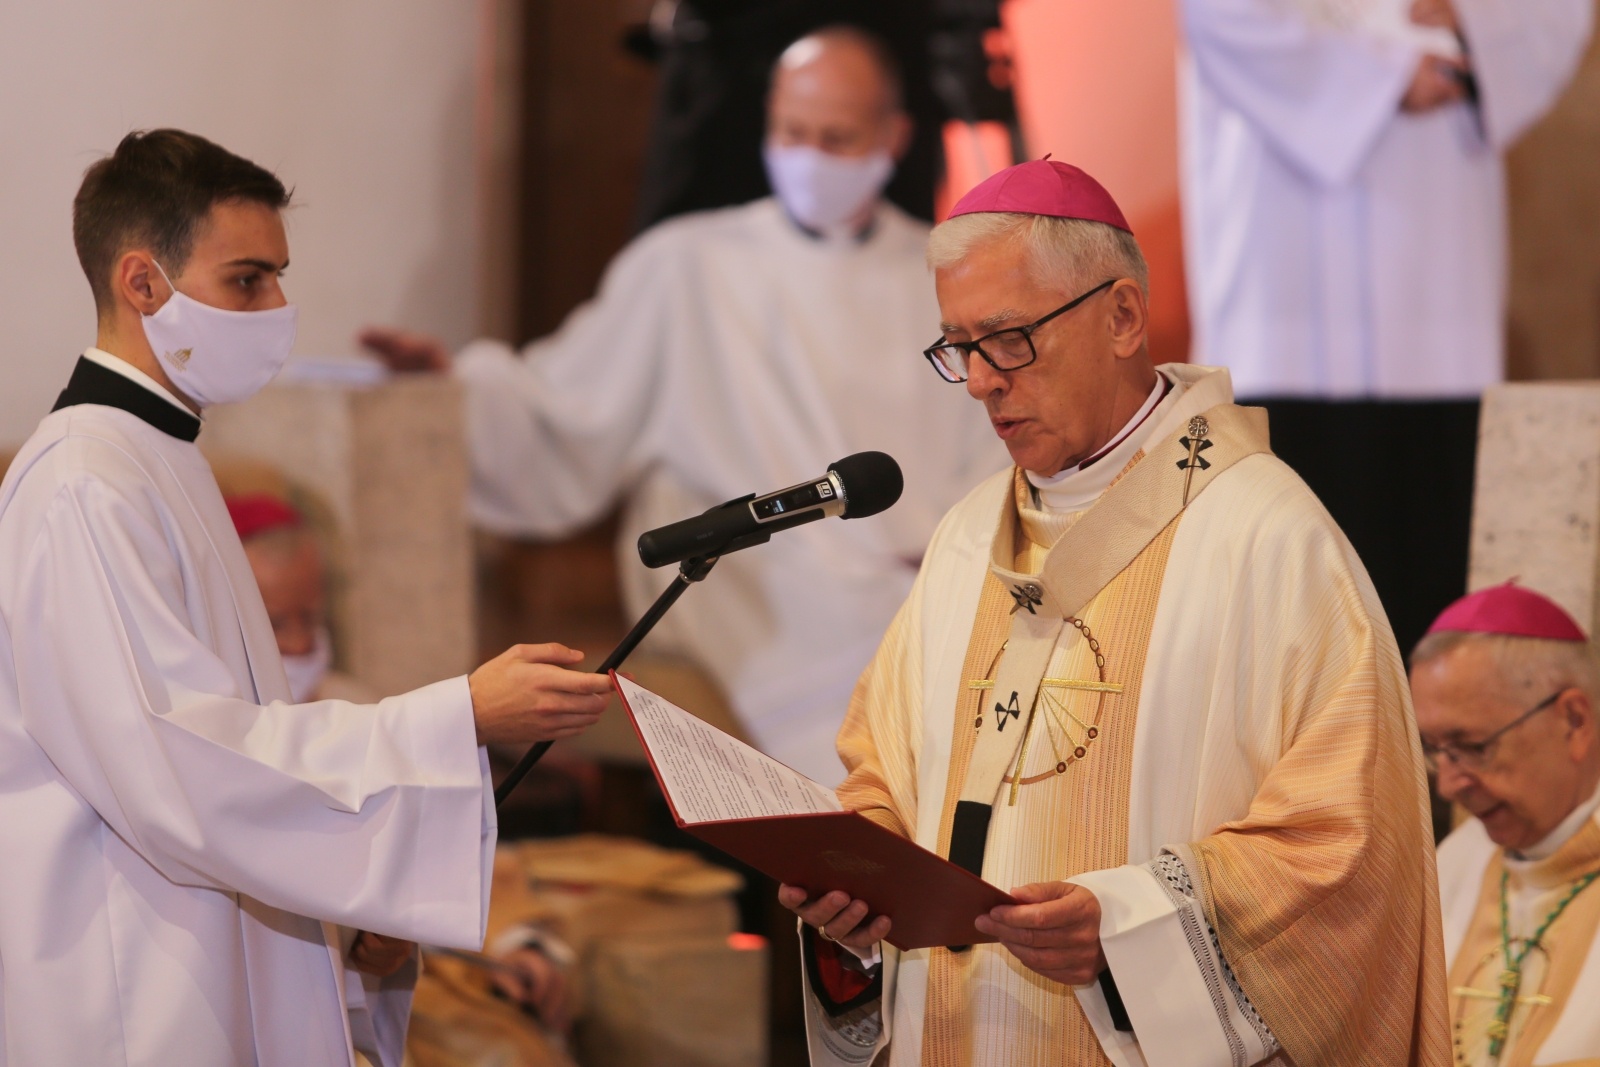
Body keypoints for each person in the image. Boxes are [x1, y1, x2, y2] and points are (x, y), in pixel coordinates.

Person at [780, 159, 1450, 1066]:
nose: (979, 381)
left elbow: (1348, 848)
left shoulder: (1267, 537)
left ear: (1123, 316)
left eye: (1007, 339)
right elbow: (882, 774)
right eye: (959, 347)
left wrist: (1132, 930)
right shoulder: (967, 539)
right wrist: (859, 888)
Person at [0, 128, 614, 1066]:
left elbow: (236, 744)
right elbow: (180, 764)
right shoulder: (85, 481)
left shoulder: (158, 456)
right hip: (135, 985)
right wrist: (458, 714)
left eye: (278, 278)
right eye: (247, 280)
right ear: (142, 283)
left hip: (198, 945)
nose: (278, 309)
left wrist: (353, 917)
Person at [361, 26, 1006, 785]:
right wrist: (451, 389)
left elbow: (993, 439)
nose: (810, 157)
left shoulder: (944, 273)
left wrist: (945, 544)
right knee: (881, 713)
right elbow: (565, 405)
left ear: (893, 137)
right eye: (792, 133)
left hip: (914, 566)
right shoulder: (686, 263)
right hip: (761, 577)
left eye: (836, 138)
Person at [1176, 0, 1593, 655]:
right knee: (1290, 629)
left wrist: (1472, 24)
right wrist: (1381, 77)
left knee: (1431, 616)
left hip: (1436, 295)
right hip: (1281, 296)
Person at [1412, 582, 1600, 1066]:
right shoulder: (1455, 862)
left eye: (1472, 747)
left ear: (1574, 721)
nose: (1448, 785)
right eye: (1435, 750)